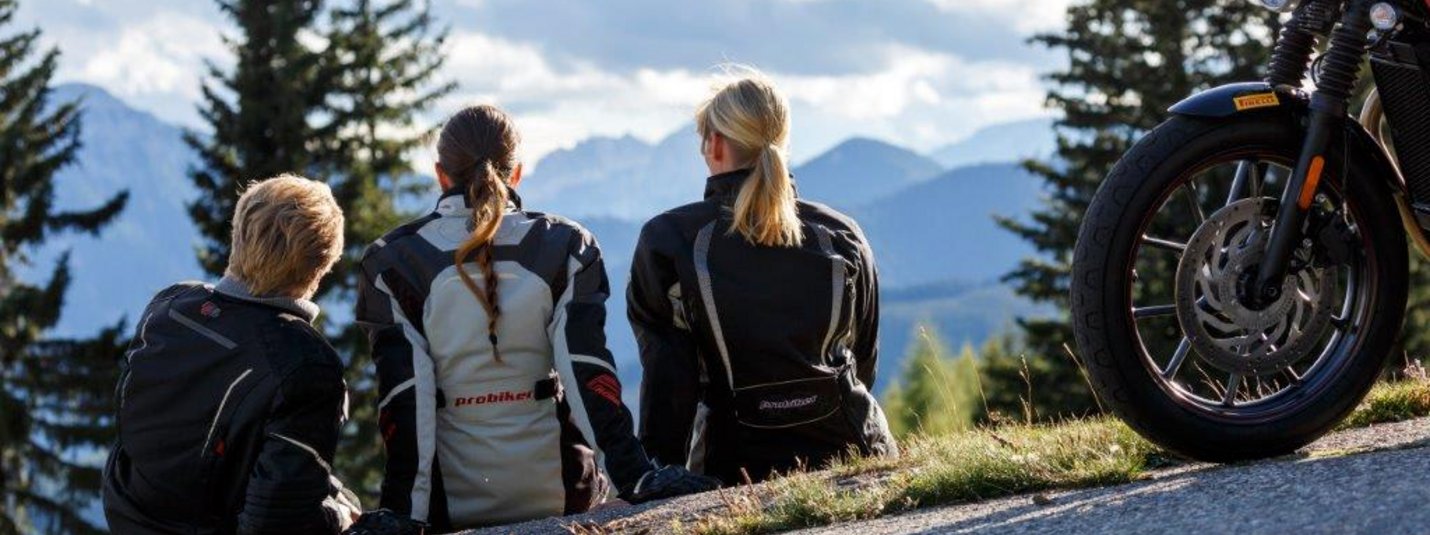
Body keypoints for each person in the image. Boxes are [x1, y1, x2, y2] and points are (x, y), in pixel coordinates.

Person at [349, 105, 717, 533]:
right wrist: (634, 475)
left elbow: (405, 397)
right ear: (517, 173)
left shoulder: (391, 261)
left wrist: (402, 513)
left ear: (440, 174)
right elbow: (587, 374)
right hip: (562, 493)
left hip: (444, 508)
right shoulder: (566, 245)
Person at [630, 71, 899, 485]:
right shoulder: (842, 234)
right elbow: (863, 361)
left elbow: (669, 380)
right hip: (855, 451)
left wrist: (656, 474)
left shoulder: (671, 241)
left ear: (714, 144)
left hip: (734, 465)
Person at [103, 175, 360, 534]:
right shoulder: (307, 365)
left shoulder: (170, 307)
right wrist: (338, 517)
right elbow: (277, 524)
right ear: (323, 265)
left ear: (239, 232)